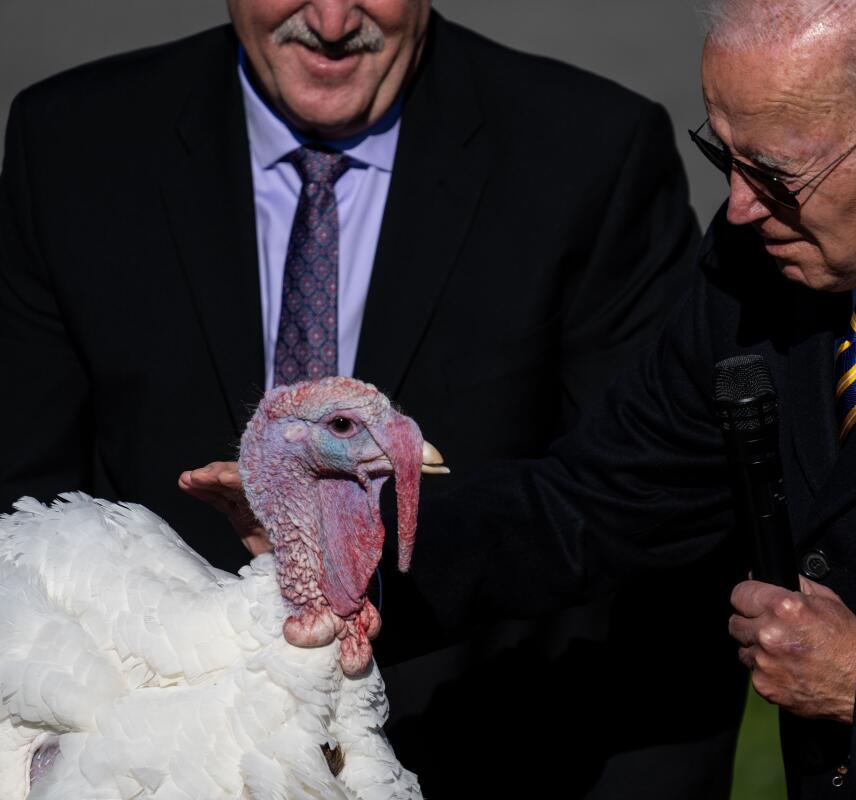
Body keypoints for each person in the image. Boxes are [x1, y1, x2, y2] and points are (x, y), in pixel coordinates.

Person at [185, 0, 856, 795]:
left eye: (776, 173)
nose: (740, 208)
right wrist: (351, 535)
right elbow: (602, 498)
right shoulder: (770, 253)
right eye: (723, 154)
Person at [0, 2, 750, 797]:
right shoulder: (74, 141)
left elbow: (652, 516)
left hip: (484, 760)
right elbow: (22, 499)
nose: (328, 20)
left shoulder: (590, 151)